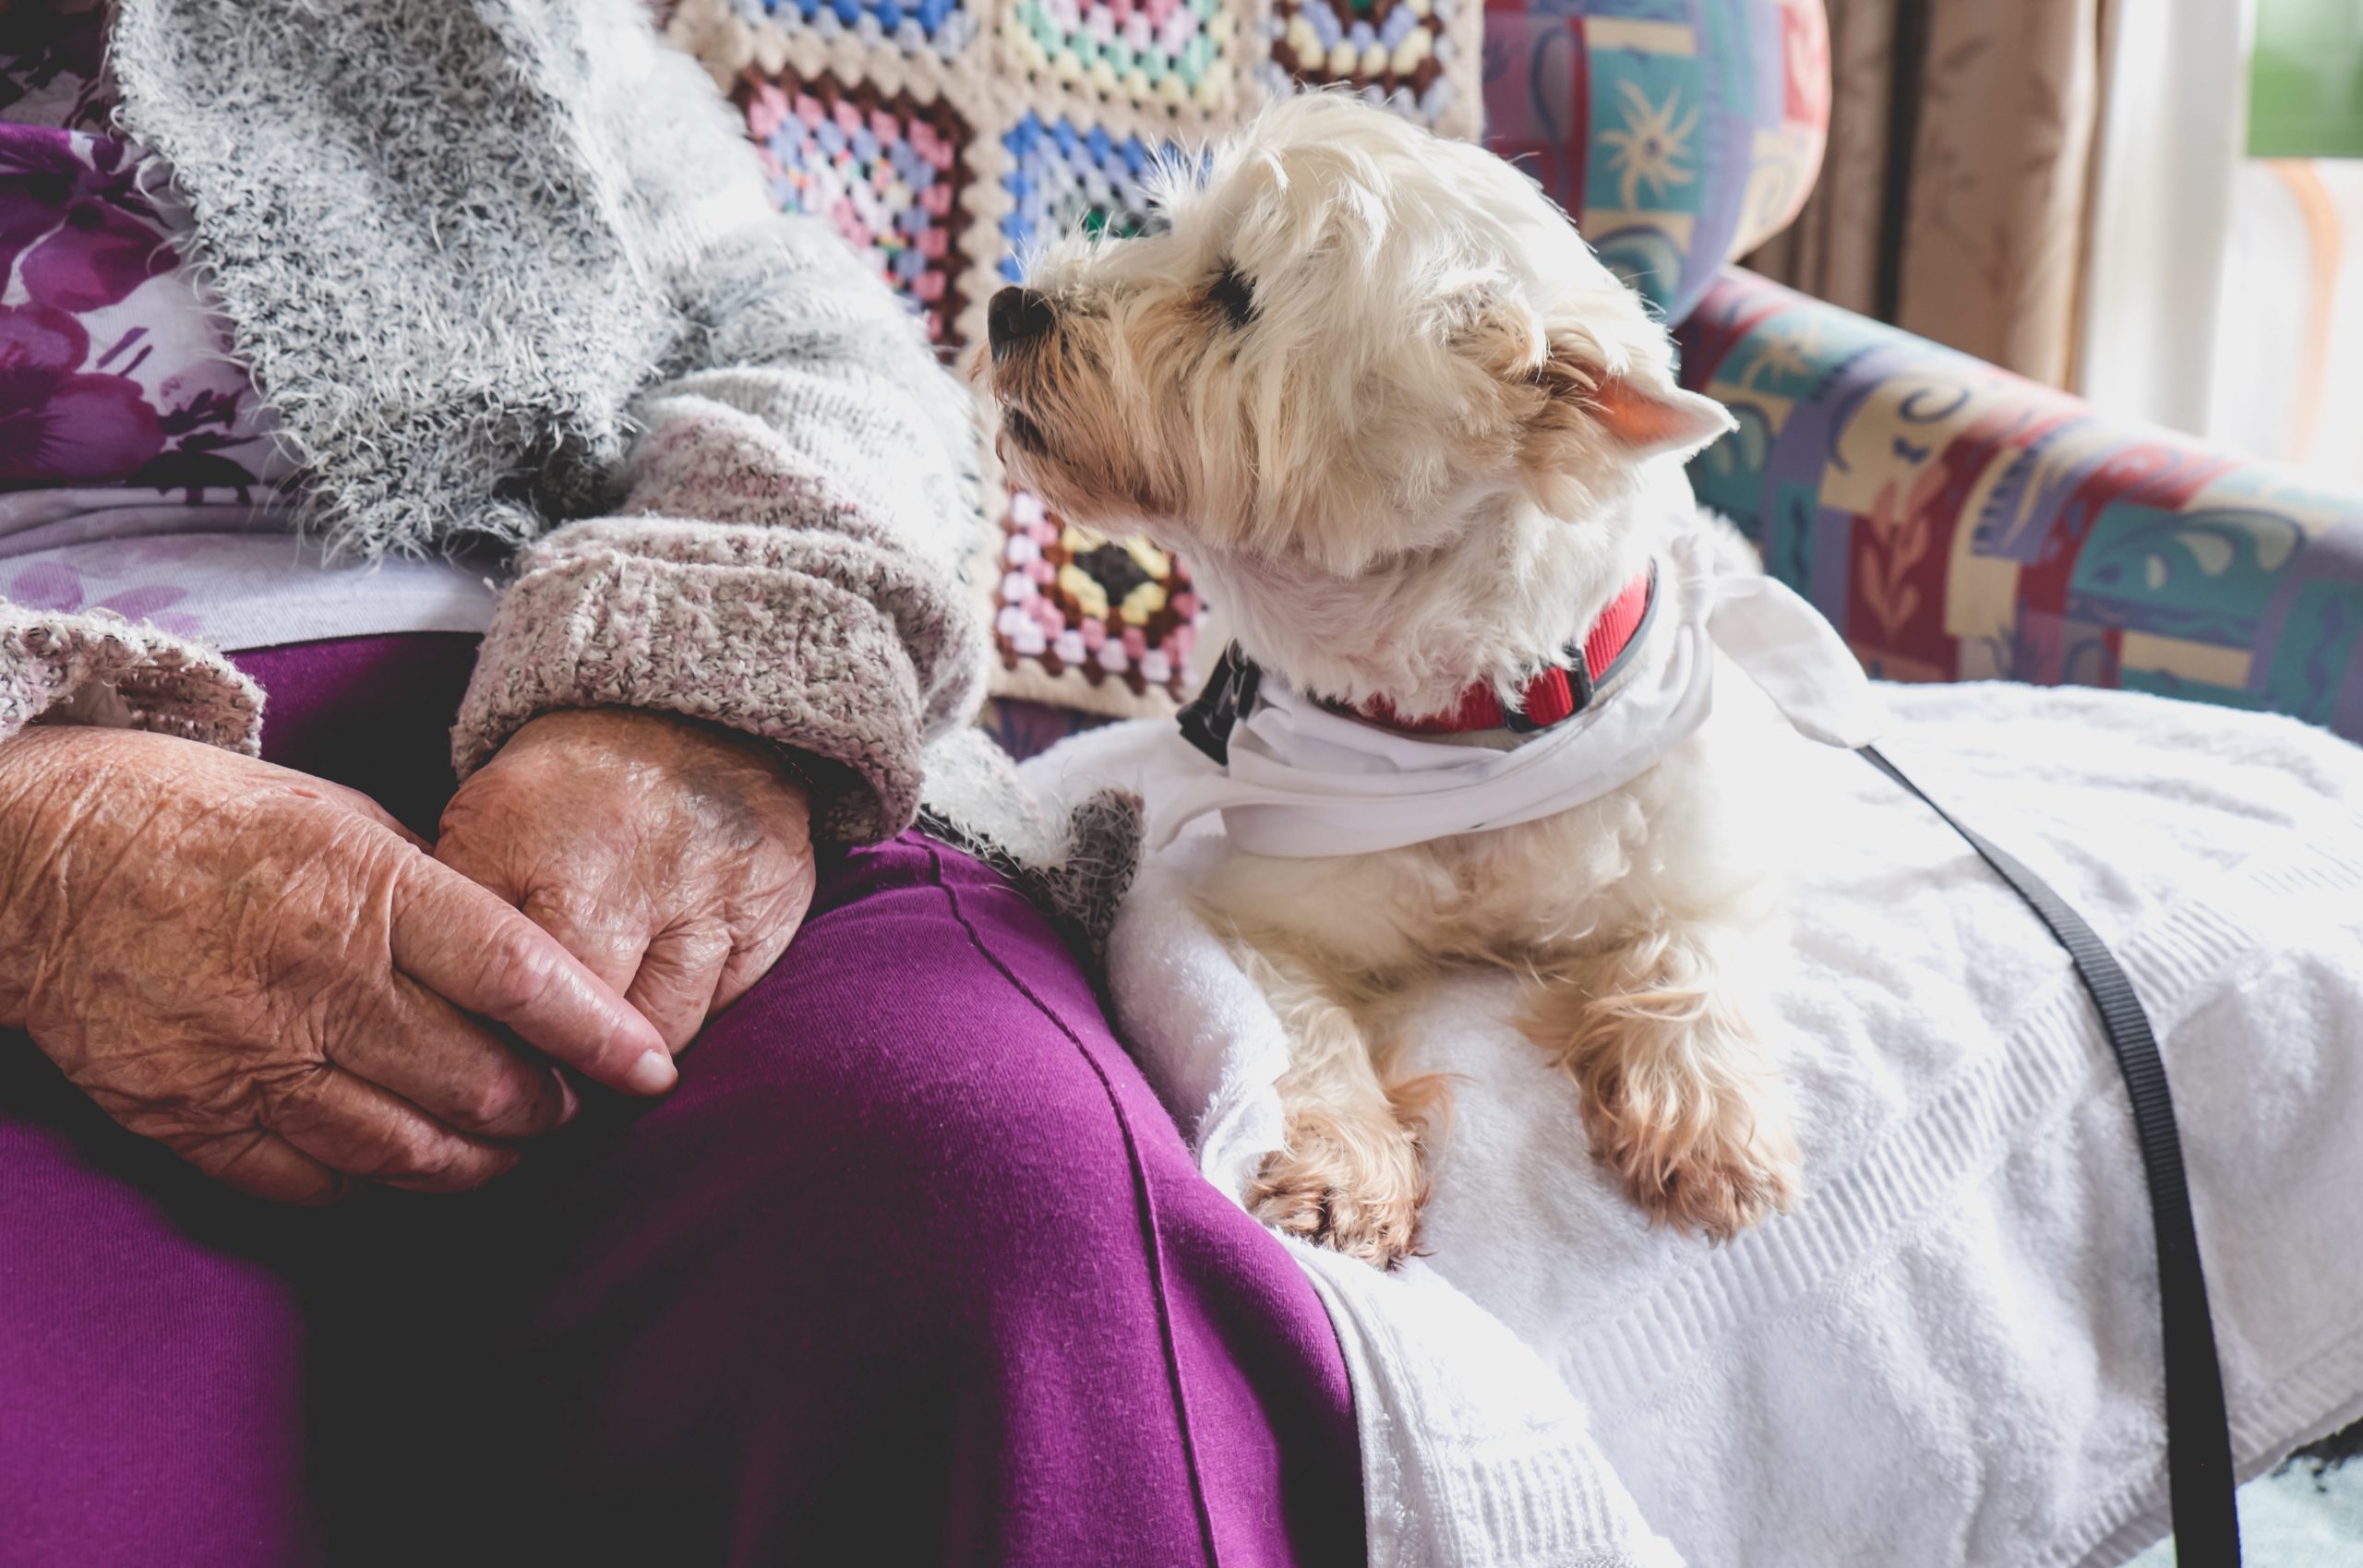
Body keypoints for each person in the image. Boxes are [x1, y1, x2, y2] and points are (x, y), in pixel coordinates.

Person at [0, 3, 1360, 1562]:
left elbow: (818, 347)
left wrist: (701, 680)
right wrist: (37, 848)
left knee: (1004, 1222)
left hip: (606, 701)